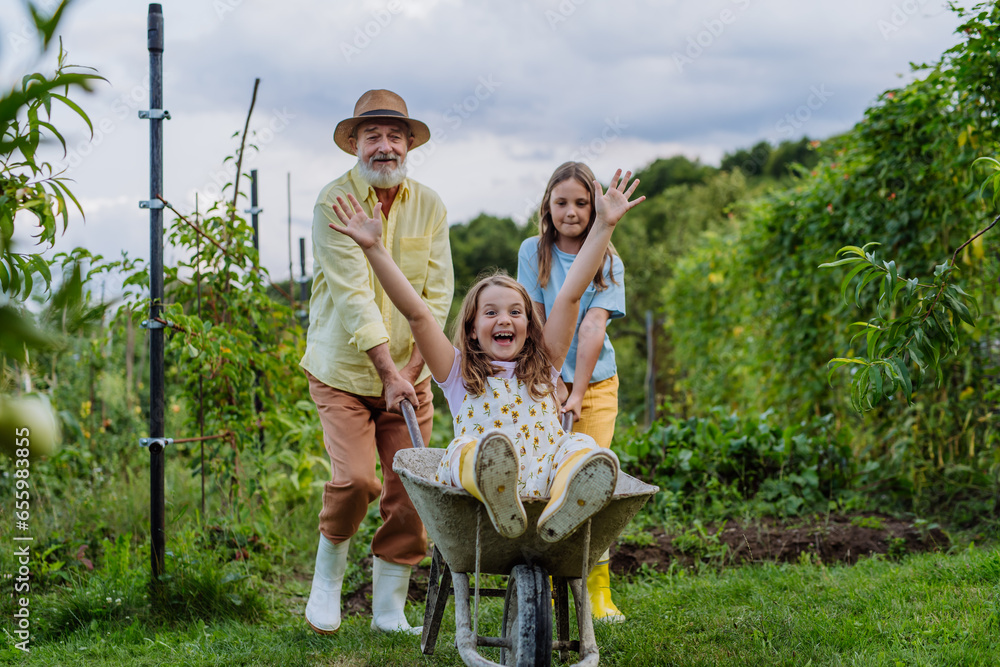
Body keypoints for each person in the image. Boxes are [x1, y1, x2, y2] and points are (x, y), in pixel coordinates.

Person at [330, 169, 643, 547]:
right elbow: (417, 314)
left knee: (581, 448)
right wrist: (374, 249)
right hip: (478, 494)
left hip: (542, 482)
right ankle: (495, 483)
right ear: (473, 327)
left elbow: (571, 295)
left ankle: (565, 505)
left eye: (515, 311)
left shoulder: (546, 364)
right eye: (490, 313)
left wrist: (604, 226)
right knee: (466, 450)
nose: (504, 319)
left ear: (530, 323)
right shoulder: (458, 372)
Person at [300, 89, 454, 635]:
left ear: (409, 143)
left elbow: (437, 295)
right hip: (343, 370)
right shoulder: (333, 202)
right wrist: (387, 372)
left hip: (409, 376)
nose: (384, 147)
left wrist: (410, 375)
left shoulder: (430, 205)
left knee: (413, 487)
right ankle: (326, 584)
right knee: (358, 481)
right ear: (354, 144)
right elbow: (353, 297)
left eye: (394, 136)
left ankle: (389, 609)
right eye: (372, 136)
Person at [517, 161, 627, 623]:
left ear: (594, 208)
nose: (571, 211)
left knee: (589, 483)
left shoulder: (609, 260)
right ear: (548, 206)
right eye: (561, 202)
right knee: (546, 480)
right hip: (544, 381)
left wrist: (578, 391)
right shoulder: (533, 251)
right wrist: (552, 382)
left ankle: (596, 590)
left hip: (595, 385)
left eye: (582, 203)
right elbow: (536, 319)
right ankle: (551, 583)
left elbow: (592, 329)